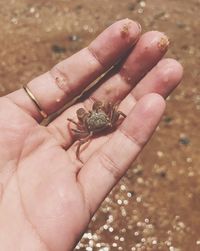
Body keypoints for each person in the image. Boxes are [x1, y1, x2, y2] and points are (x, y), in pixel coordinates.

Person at [0, 19, 182, 251]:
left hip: (103, 124)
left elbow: (86, 123)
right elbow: (84, 126)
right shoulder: (93, 125)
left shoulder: (89, 124)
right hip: (105, 124)